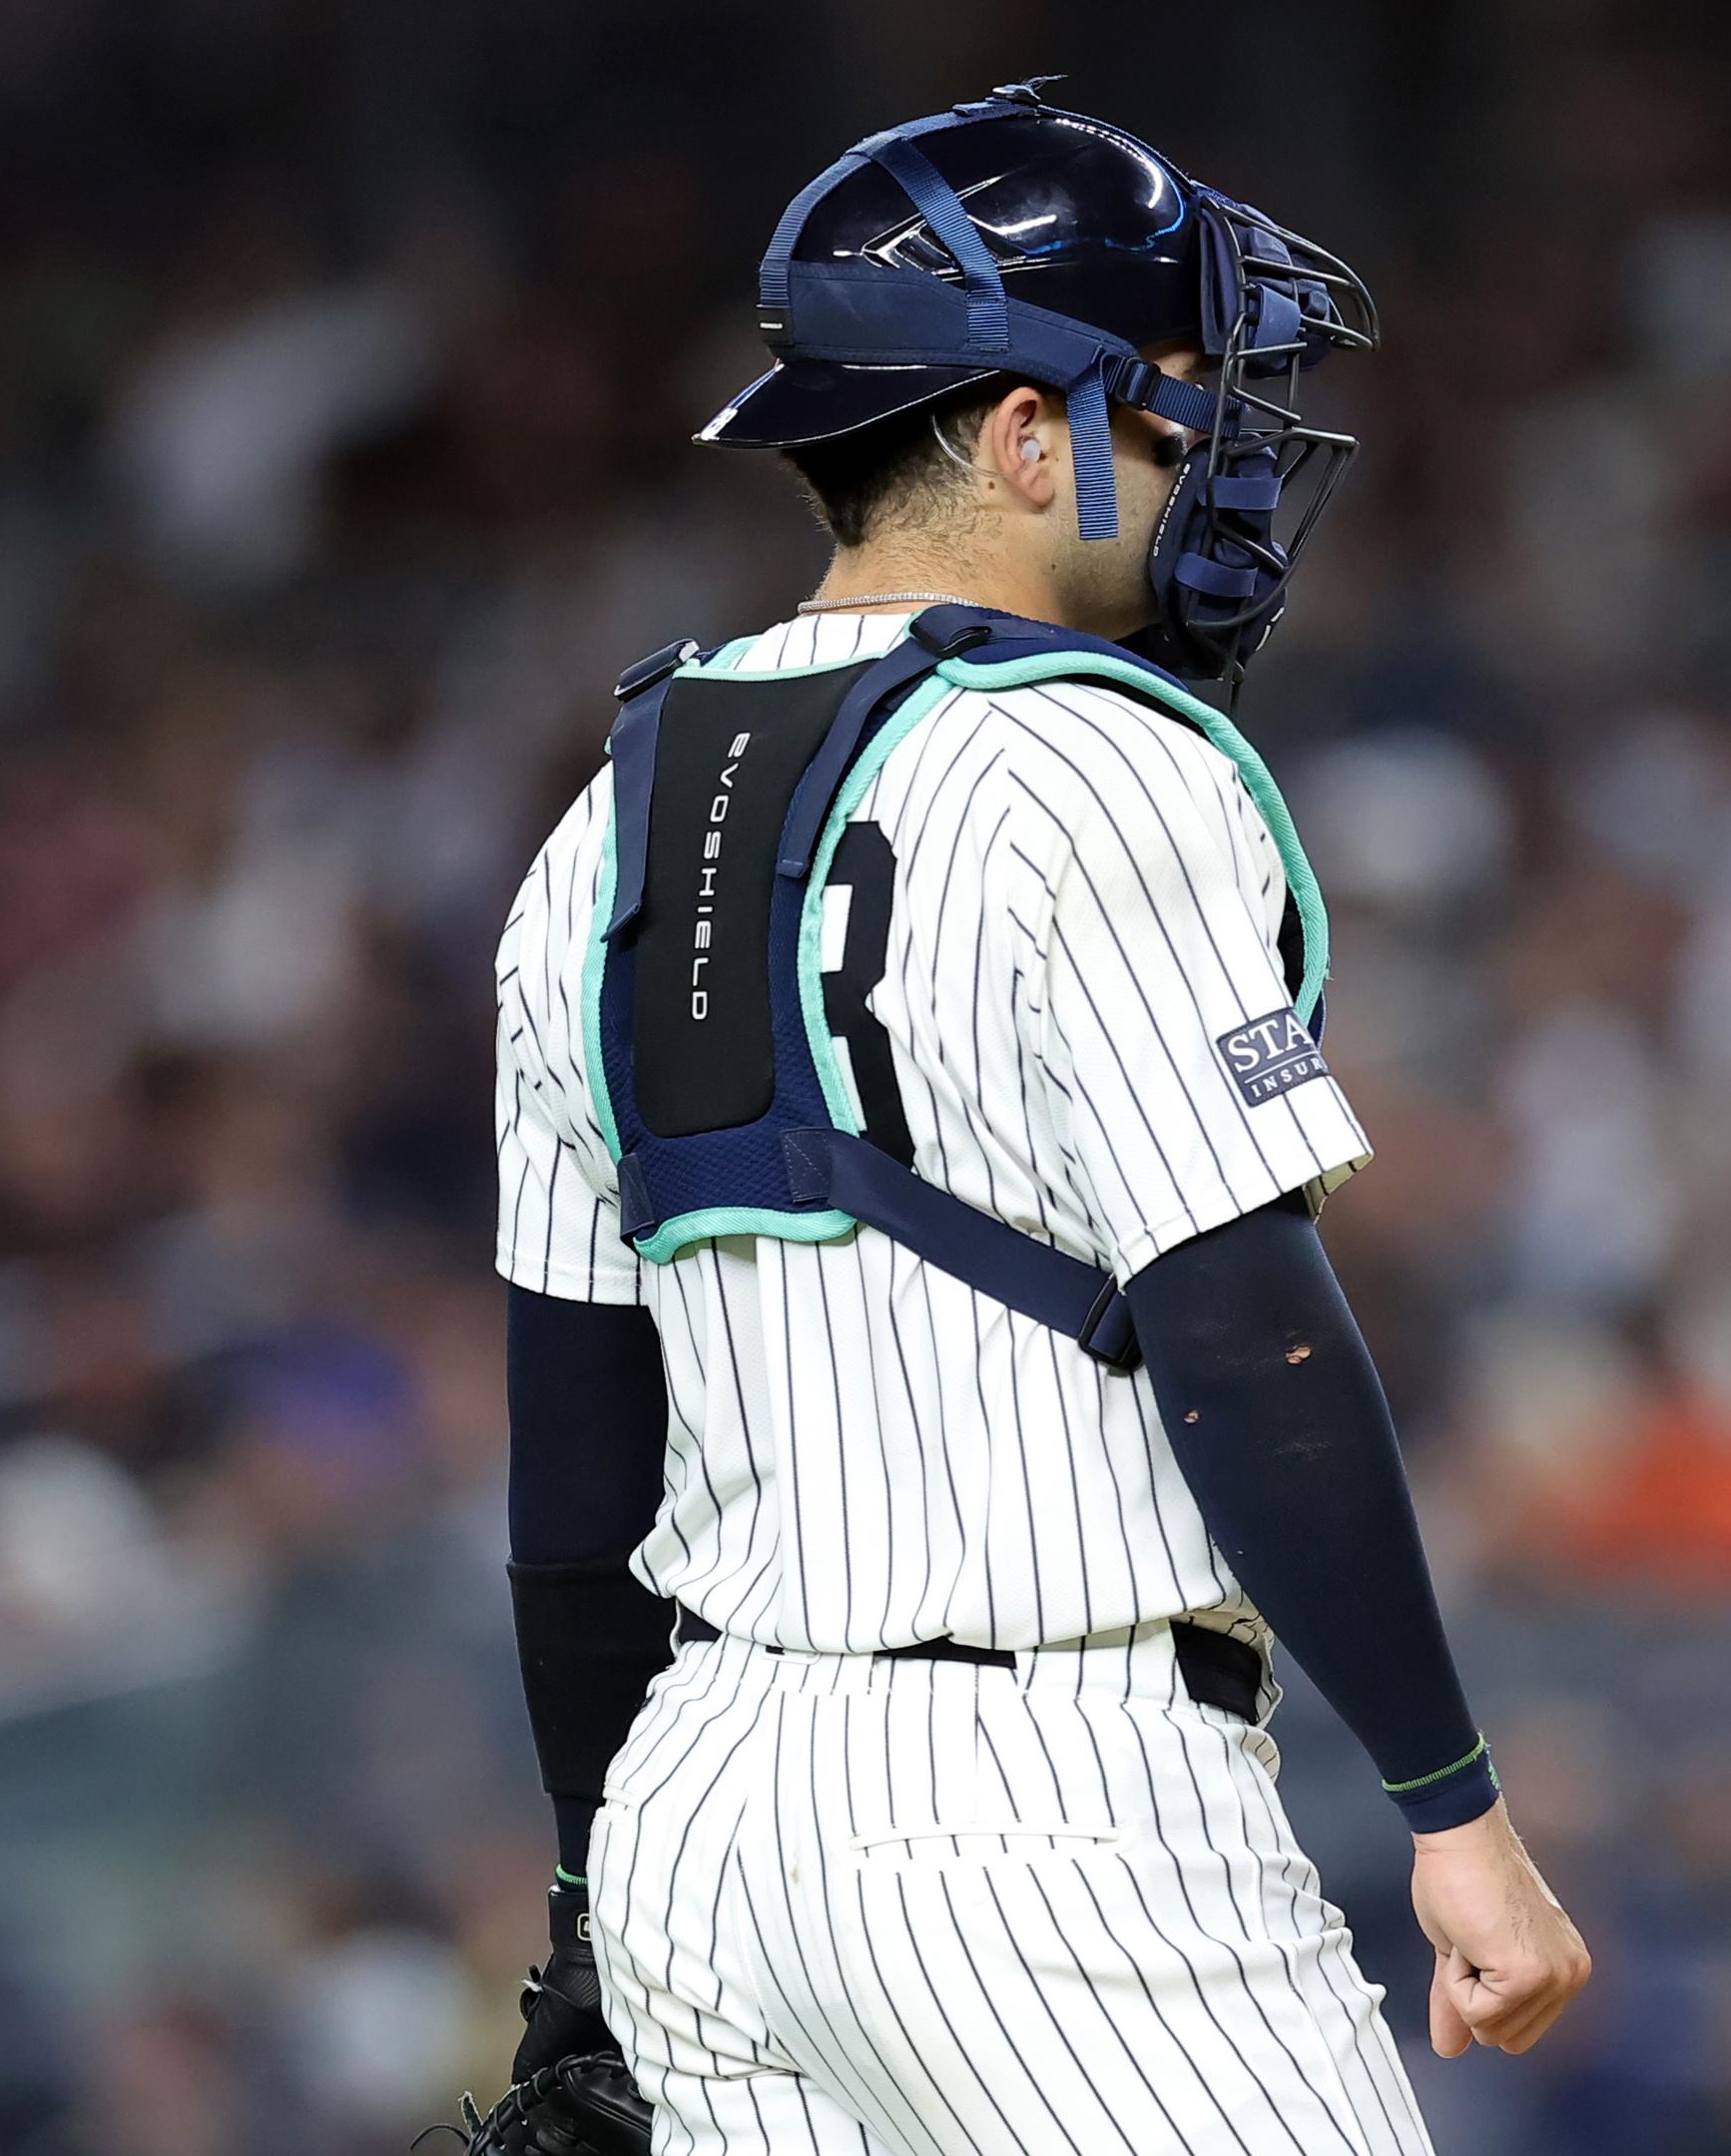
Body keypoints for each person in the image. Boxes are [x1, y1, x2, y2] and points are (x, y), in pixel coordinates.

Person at [488, 82, 1586, 2156]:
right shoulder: (1093, 763)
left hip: (701, 1816)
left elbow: (573, 1465)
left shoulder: (598, 822)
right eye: (1186, 403)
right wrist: (1453, 1810)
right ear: (1021, 439)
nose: (1228, 455)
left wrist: (587, 1888)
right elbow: (1248, 1336)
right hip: (1048, 1814)